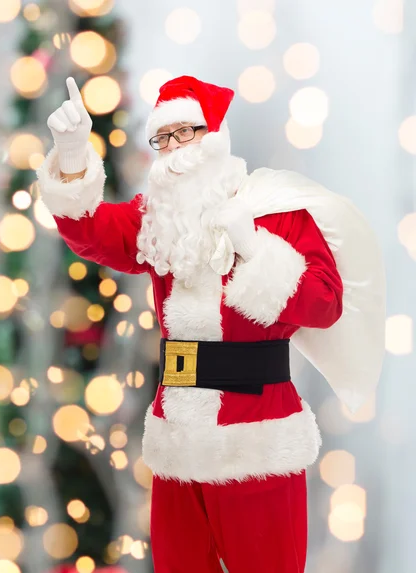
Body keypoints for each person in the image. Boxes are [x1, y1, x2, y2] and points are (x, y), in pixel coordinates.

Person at [36, 75, 385, 573]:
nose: (176, 149)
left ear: (216, 134)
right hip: (176, 439)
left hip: (257, 441)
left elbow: (325, 304)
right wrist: (72, 156)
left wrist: (256, 250)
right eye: (164, 137)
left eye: (188, 133)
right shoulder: (157, 221)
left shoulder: (275, 212)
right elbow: (91, 231)